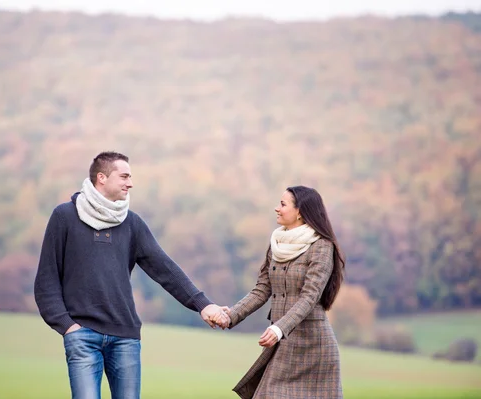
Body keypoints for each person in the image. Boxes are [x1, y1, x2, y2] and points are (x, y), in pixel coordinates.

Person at [34, 151, 229, 399]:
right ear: (102, 178)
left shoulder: (131, 223)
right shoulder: (64, 217)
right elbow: (46, 281)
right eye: (124, 176)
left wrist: (203, 305)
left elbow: (165, 269)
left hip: (125, 338)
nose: (131, 183)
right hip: (81, 336)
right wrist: (67, 326)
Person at [214, 186, 345, 399]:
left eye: (283, 204)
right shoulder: (277, 243)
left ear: (300, 211)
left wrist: (278, 329)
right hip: (282, 346)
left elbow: (310, 297)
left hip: (313, 349)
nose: (277, 208)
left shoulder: (322, 246)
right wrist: (230, 316)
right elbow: (262, 289)